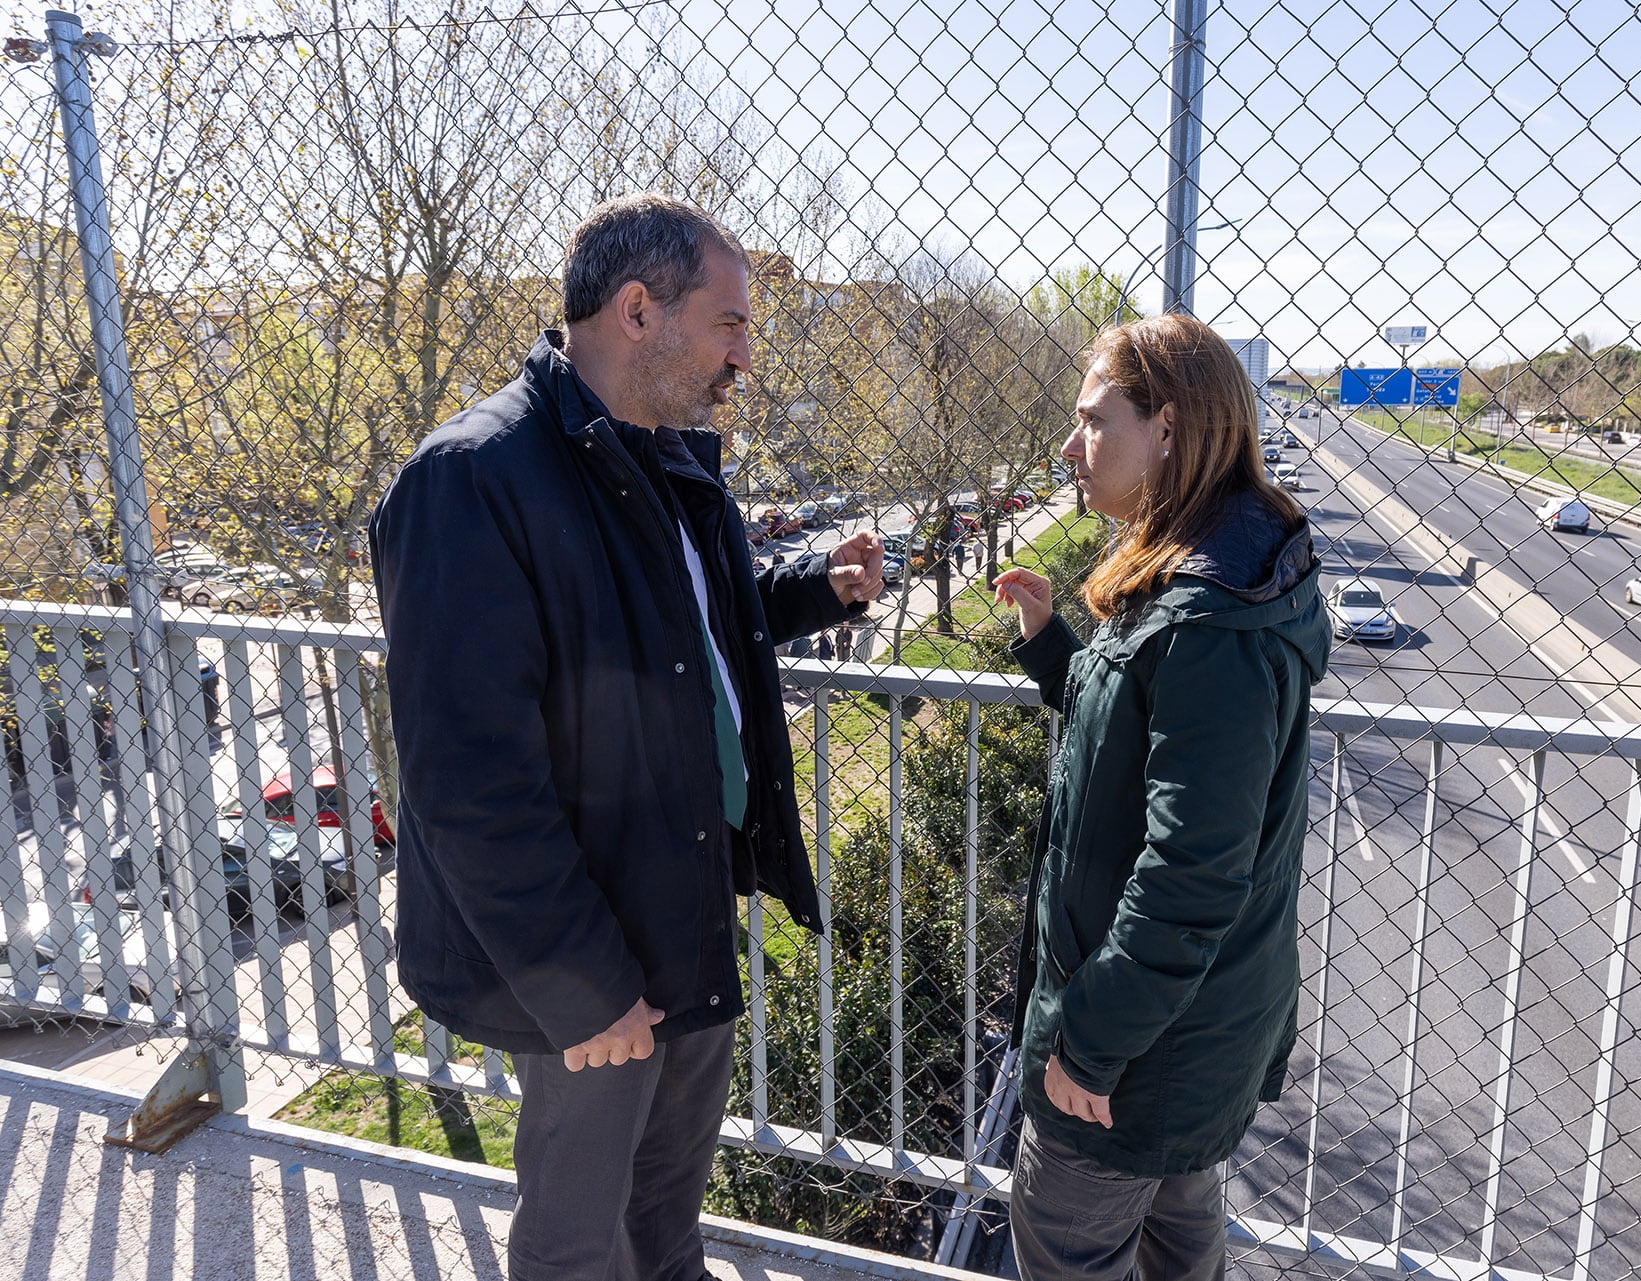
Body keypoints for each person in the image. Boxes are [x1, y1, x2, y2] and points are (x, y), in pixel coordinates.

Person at [369, 192, 885, 1281]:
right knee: (578, 1238)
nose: (746, 354)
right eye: (732, 323)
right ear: (639, 310)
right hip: (586, 942)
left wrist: (810, 591)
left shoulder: (666, 455)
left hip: (685, 894)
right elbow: (468, 778)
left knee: (665, 1216)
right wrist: (580, 984)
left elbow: (687, 619)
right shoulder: (469, 480)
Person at [991, 313, 1331, 1281]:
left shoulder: (1210, 622)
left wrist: (1085, 1047)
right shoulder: (1194, 573)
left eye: (1095, 422)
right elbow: (1134, 749)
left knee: (1064, 1251)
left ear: (1170, 430)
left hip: (1135, 1058)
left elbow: (1190, 872)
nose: (1069, 448)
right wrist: (1054, 645)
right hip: (1181, 1039)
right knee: (1181, 1251)